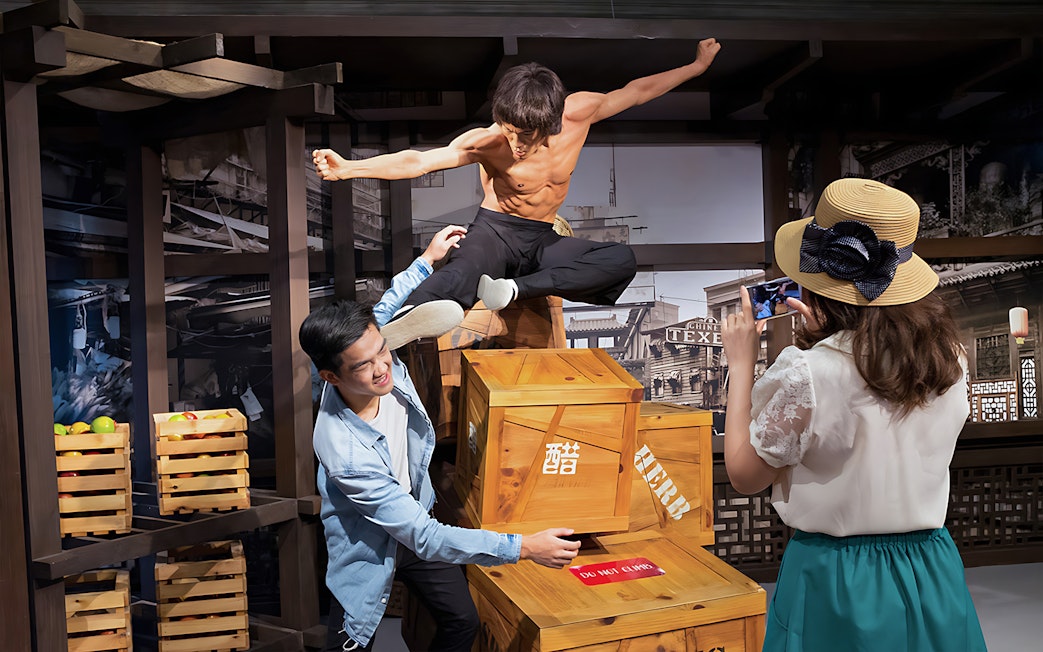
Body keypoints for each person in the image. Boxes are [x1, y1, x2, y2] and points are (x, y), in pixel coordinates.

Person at [313, 37, 722, 349]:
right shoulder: (489, 140)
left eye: (523, 136)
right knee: (457, 274)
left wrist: (697, 66)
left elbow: (637, 91)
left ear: (551, 124)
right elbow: (418, 162)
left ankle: (511, 290)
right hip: (495, 232)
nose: (514, 145)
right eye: (508, 132)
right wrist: (351, 169)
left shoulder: (579, 113)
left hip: (541, 238)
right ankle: (397, 325)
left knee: (621, 258)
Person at [720, 178, 986, 652]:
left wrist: (741, 364)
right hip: (933, 565)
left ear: (821, 287)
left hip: (837, 574)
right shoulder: (950, 356)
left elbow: (744, 475)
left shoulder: (809, 370)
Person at [299, 225, 581, 652]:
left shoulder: (373, 351)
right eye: (363, 365)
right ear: (330, 377)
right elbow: (425, 537)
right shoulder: (346, 452)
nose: (381, 368)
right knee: (354, 638)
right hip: (371, 544)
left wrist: (428, 260)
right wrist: (524, 547)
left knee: (461, 621)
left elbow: (388, 307)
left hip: (415, 511)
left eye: (382, 351)